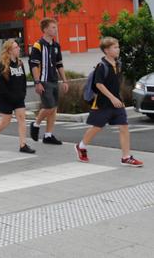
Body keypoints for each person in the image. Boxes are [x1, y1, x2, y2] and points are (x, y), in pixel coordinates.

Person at [74, 37, 143, 167]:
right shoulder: (102, 66)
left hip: (117, 103)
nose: (118, 49)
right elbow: (99, 84)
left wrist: (118, 98)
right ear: (106, 50)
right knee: (97, 127)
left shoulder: (118, 64)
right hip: (102, 103)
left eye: (118, 47)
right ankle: (81, 146)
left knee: (124, 127)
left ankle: (126, 157)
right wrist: (112, 98)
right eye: (114, 47)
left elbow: (115, 84)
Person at [0, 39, 35, 153]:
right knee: (5, 121)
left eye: (18, 47)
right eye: (16, 47)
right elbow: (0, 85)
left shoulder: (20, 63)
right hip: (5, 98)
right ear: (9, 50)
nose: (19, 49)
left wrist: (23, 93)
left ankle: (23, 145)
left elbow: (23, 80)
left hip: (18, 98)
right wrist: (11, 96)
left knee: (22, 119)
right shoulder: (1, 65)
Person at [29, 18, 68, 145]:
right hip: (44, 81)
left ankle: (48, 135)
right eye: (53, 27)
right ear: (45, 29)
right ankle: (35, 124)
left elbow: (59, 64)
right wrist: (37, 82)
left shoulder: (56, 46)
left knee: (54, 108)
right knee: (49, 107)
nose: (55, 29)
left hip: (54, 80)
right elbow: (33, 65)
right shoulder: (38, 45)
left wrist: (65, 81)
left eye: (56, 27)